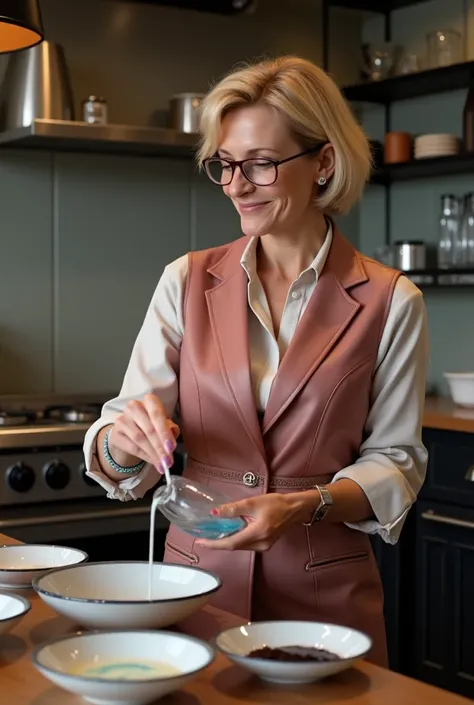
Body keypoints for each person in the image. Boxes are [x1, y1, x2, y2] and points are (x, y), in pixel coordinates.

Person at [84, 55, 428, 667]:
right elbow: (118, 439)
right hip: (193, 591)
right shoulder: (184, 281)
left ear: (323, 162)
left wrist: (305, 504)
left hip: (324, 609)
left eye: (262, 165)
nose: (237, 185)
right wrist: (125, 441)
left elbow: (396, 462)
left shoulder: (391, 300)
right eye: (225, 165)